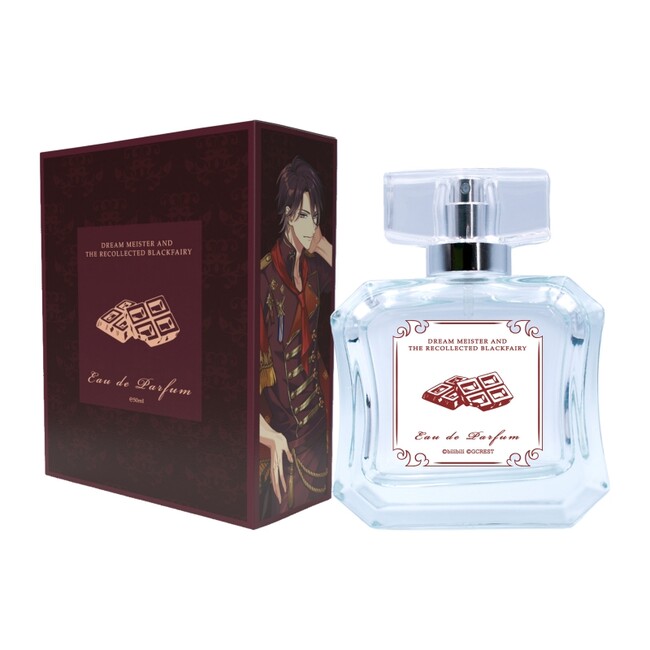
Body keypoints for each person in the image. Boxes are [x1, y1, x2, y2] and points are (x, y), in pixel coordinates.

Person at [259, 156, 333, 518]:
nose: (311, 227)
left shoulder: (316, 270)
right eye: (304, 216)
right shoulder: (264, 279)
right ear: (287, 214)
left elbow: (355, 281)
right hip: (285, 434)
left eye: (316, 217)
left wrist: (323, 246)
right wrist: (267, 434)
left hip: (321, 425)